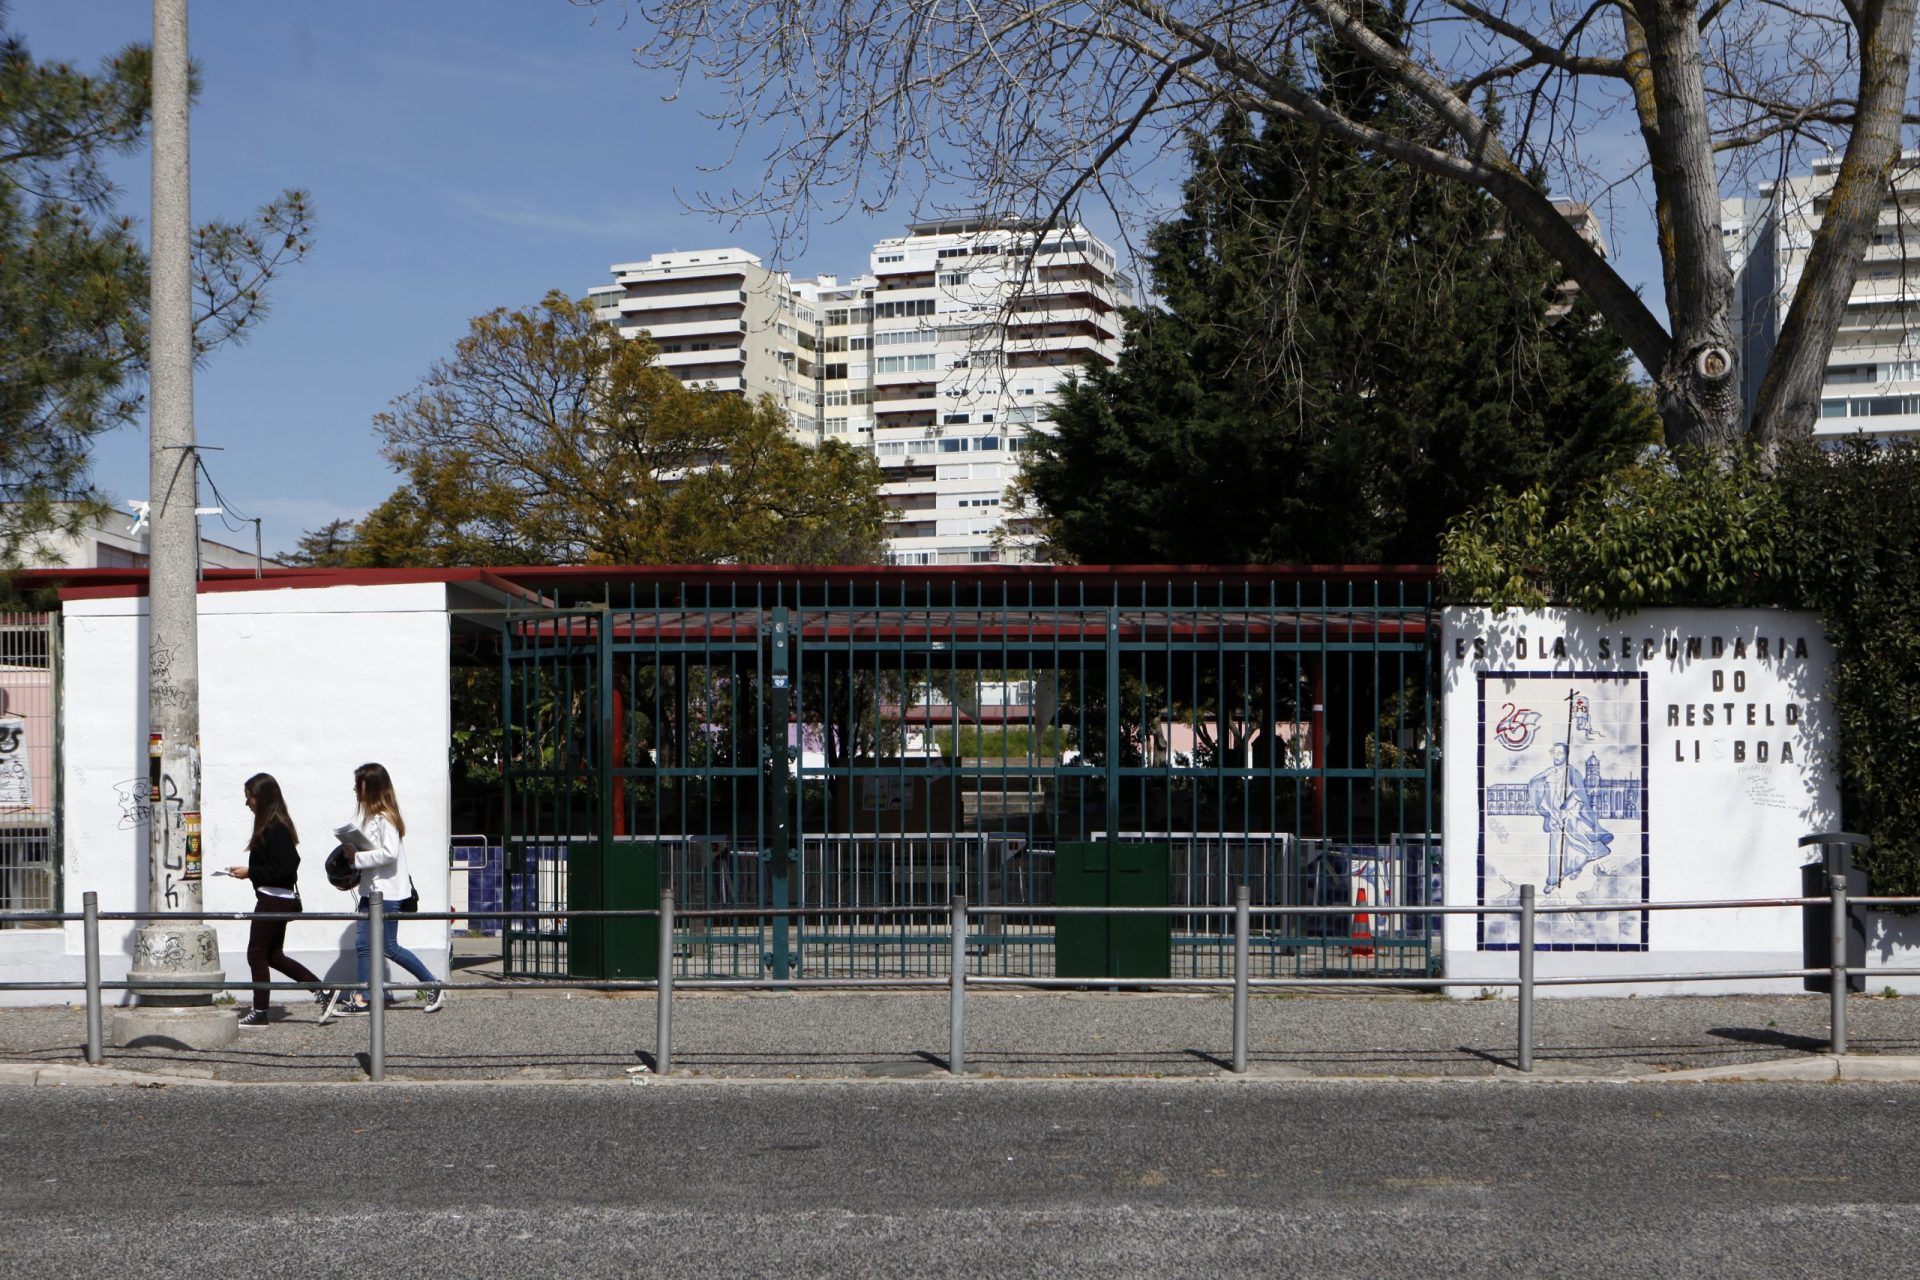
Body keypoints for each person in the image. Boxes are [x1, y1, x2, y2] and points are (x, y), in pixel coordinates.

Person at [322, 763, 444, 1019]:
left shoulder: (385, 817)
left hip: (387, 894)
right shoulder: (372, 817)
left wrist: (357, 859)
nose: (355, 788)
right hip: (372, 892)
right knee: (363, 945)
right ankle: (364, 997)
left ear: (372, 786)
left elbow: (390, 853)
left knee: (389, 946)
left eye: (359, 783)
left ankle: (432, 983)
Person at [227, 773, 328, 1028]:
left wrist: (251, 872)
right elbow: (280, 866)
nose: (247, 802)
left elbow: (287, 868)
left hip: (273, 899)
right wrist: (251, 873)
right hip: (273, 897)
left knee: (256, 954)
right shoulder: (271, 825)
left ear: (262, 797)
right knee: (273, 956)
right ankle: (323, 991)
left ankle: (260, 1011)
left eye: (249, 797)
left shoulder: (274, 827)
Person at [1526, 742, 1614, 893]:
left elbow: (1579, 793)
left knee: (1577, 844)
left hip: (1571, 815)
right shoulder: (1548, 772)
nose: (1557, 756)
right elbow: (1535, 785)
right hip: (1554, 816)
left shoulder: (1572, 772)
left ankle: (1577, 866)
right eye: (1555, 752)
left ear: (1566, 755)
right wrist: (1547, 809)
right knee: (1555, 850)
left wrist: (1566, 808)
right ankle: (1553, 880)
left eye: (1560, 753)